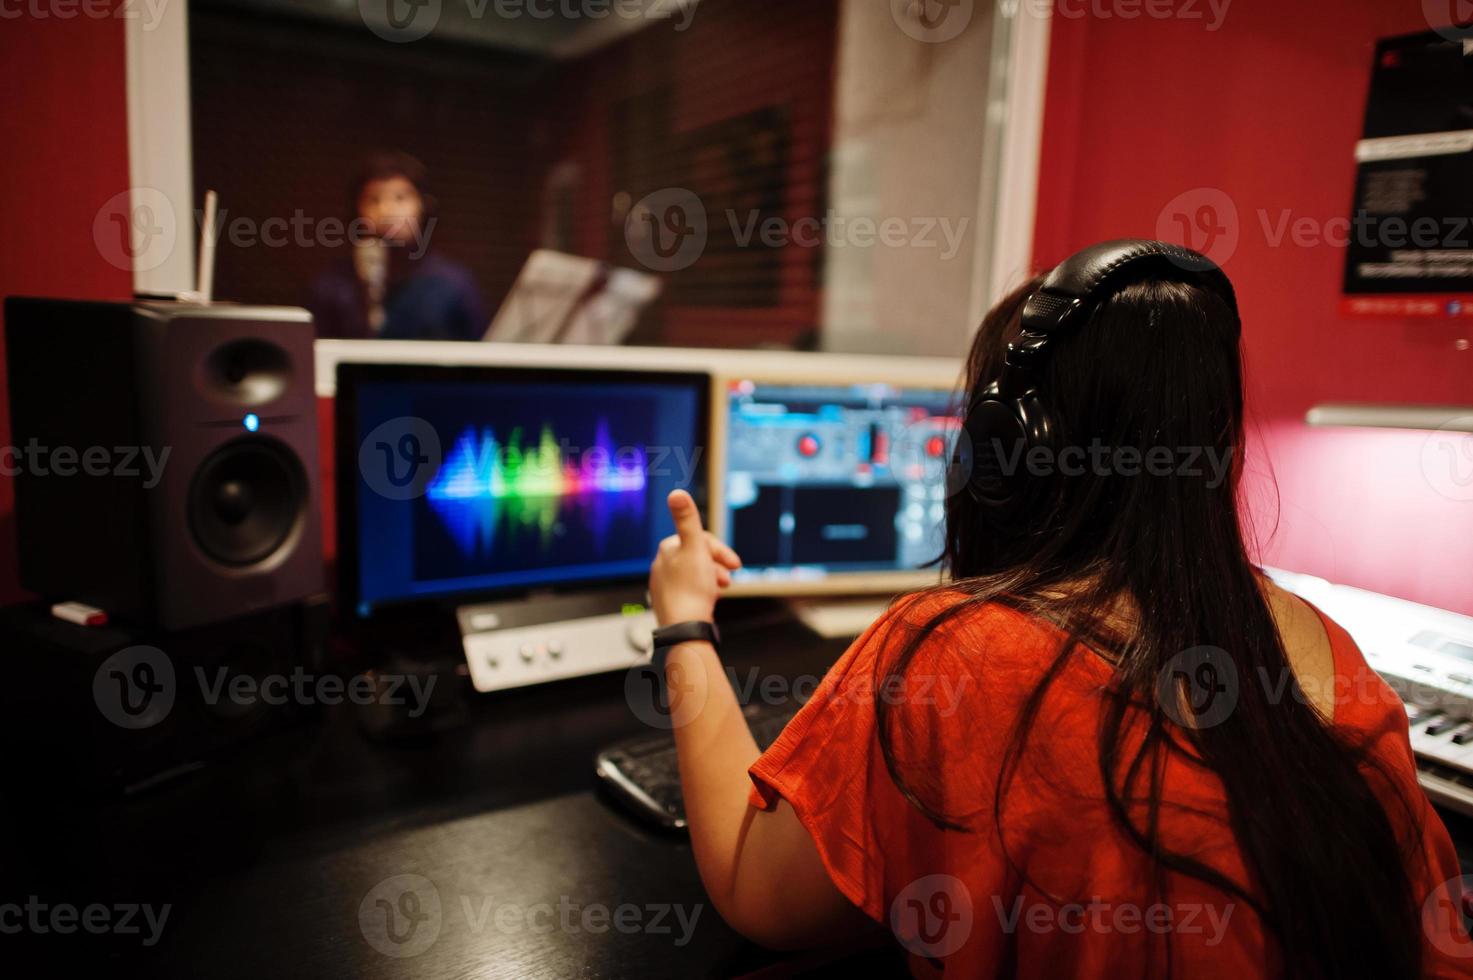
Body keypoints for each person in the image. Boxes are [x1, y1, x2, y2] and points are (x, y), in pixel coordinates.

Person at [645, 240, 1471, 977]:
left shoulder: (947, 653)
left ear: (1010, 447)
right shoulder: (1336, 658)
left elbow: (760, 895)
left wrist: (685, 624)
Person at [307, 151, 486, 341]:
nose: (387, 210)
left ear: (423, 206)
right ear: (357, 211)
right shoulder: (331, 285)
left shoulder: (454, 283)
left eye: (400, 198)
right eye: (374, 199)